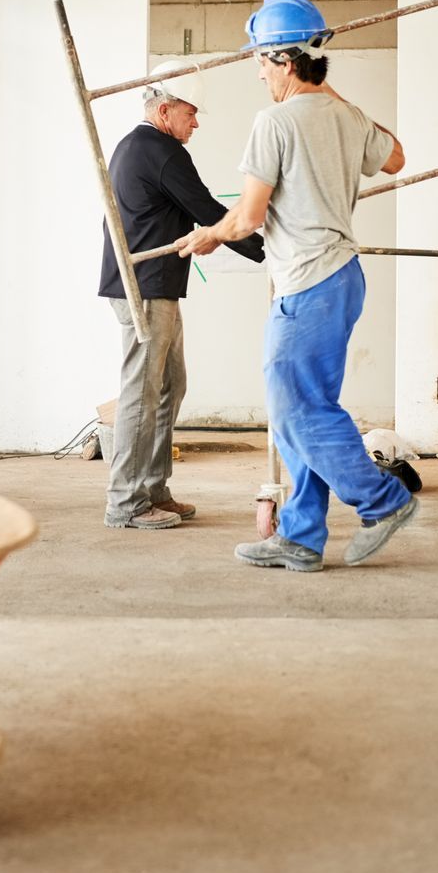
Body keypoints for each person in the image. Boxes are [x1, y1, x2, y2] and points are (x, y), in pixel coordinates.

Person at [176, 0, 417, 571]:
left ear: (285, 59)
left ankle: (384, 500)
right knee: (310, 408)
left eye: (261, 59)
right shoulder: (347, 116)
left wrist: (210, 234)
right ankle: (302, 536)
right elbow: (397, 159)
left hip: (306, 283)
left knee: (294, 411)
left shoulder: (274, 121)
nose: (258, 71)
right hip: (343, 279)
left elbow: (249, 217)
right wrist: (328, 92)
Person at [99, 60, 265, 530]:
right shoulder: (160, 150)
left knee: (170, 386)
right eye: (191, 112)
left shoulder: (138, 145)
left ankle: (152, 489)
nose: (196, 122)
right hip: (146, 288)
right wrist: (265, 246)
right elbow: (206, 209)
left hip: (155, 285)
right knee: (142, 393)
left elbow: (199, 216)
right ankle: (126, 503)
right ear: (166, 109)